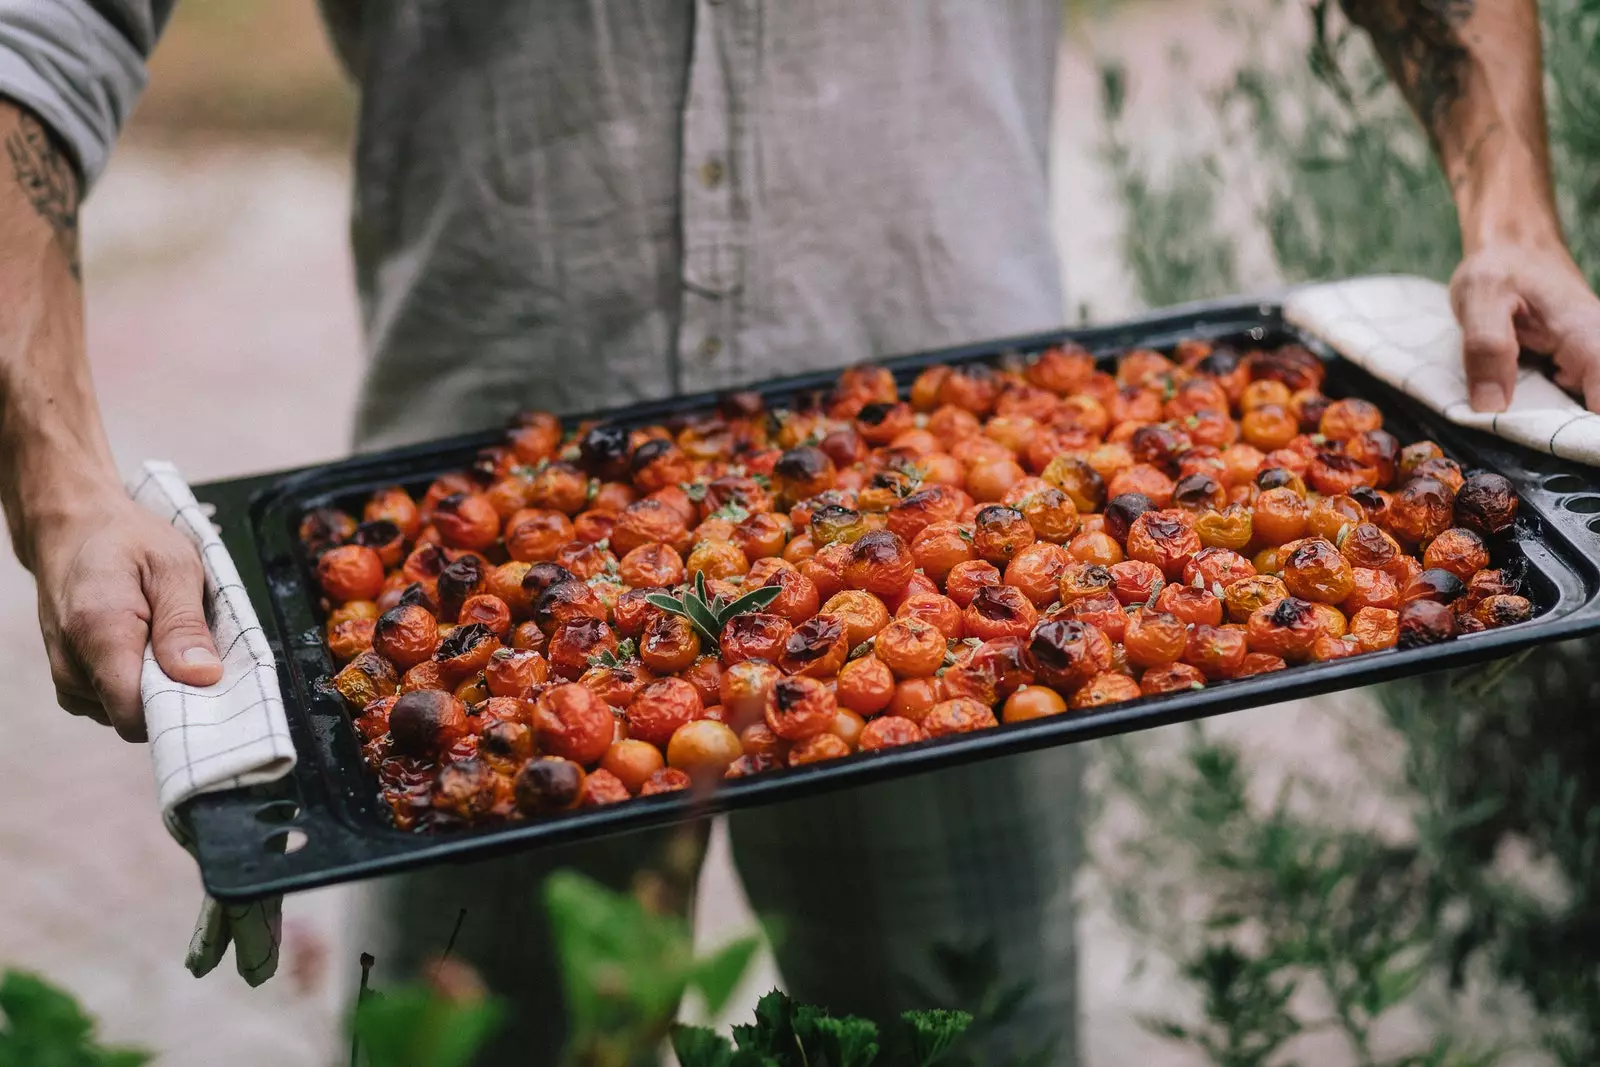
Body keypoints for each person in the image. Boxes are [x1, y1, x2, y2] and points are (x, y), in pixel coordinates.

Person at [0, 1, 1595, 1063]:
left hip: (976, 469)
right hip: (489, 534)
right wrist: (57, 463)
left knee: (961, 1035)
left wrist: (1510, 207)